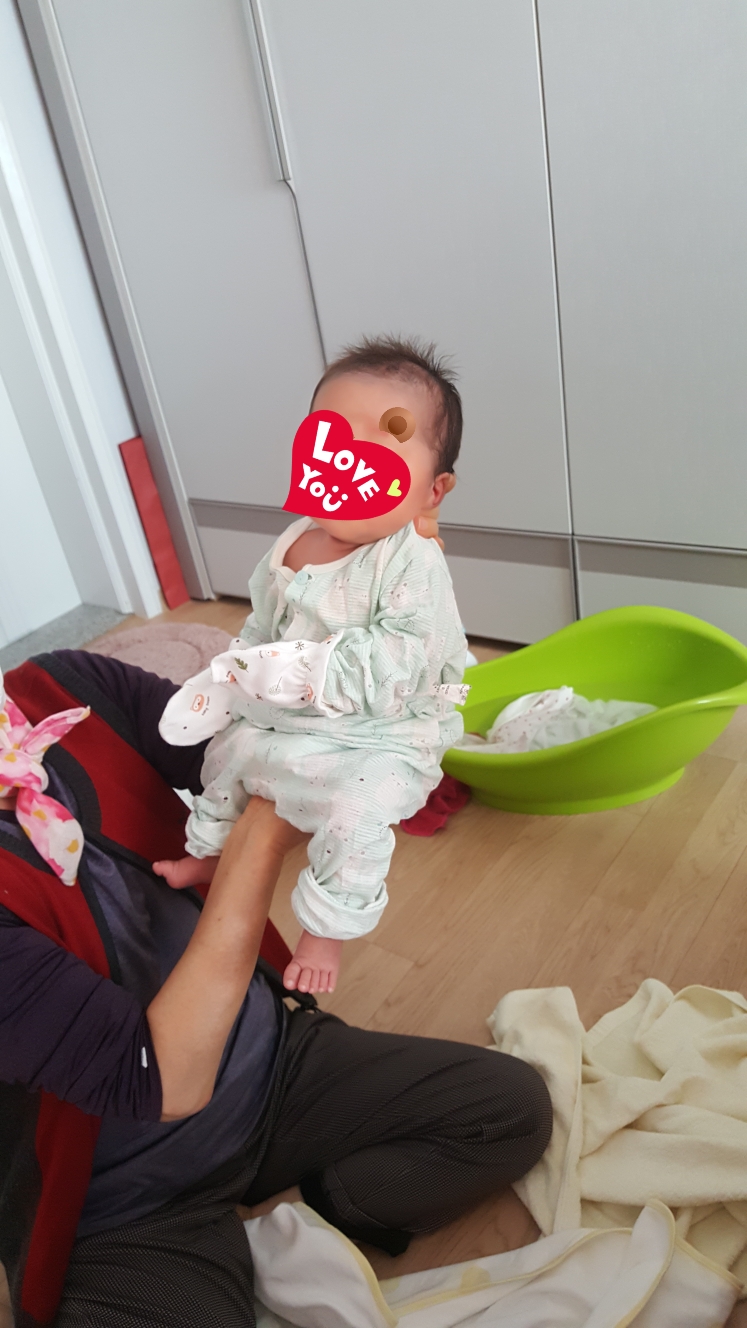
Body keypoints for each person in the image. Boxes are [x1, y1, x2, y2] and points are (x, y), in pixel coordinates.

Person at [0, 529, 552, 1328]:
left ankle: (311, 1215)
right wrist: (260, 837)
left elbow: (256, 743)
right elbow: (164, 1081)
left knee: (508, 1108)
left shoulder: (66, 686)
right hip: (123, 1194)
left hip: (272, 1062)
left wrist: (367, 649)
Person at [156, 337, 471, 997]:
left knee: (357, 807)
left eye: (388, 436)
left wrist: (302, 669)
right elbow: (263, 625)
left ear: (431, 490)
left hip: (382, 727)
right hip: (289, 711)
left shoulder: (409, 559)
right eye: (334, 431)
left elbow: (405, 657)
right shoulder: (293, 544)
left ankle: (326, 927)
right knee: (227, 755)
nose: (352, 453)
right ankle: (209, 856)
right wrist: (235, 674)